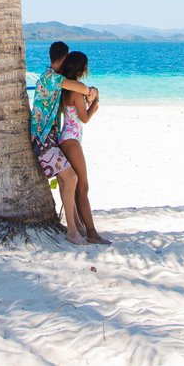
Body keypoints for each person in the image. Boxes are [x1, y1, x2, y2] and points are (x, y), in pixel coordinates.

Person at [30, 41, 99, 244]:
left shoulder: (51, 77)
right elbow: (80, 88)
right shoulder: (52, 78)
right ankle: (72, 232)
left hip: (49, 137)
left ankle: (76, 225)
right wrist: (92, 93)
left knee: (67, 180)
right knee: (71, 179)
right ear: (63, 58)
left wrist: (89, 91)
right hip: (43, 140)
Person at [56, 50, 108, 244]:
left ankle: (84, 228)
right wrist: (94, 106)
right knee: (83, 187)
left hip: (67, 138)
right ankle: (92, 233)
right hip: (72, 140)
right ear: (82, 68)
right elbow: (84, 118)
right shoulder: (76, 91)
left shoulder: (66, 88)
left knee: (78, 186)